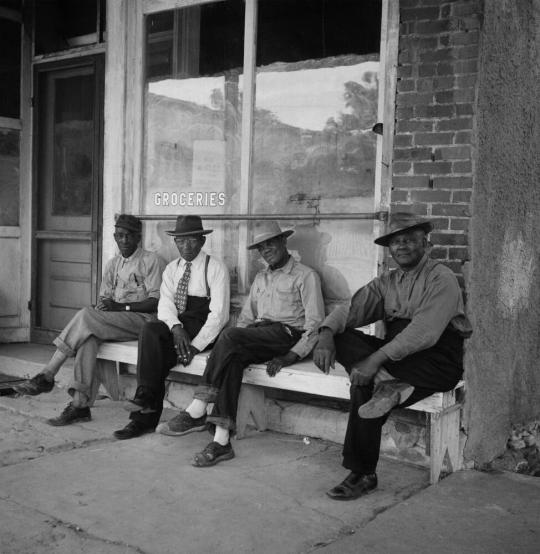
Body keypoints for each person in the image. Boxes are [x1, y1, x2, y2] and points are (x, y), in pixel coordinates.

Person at [313, 212, 472, 500]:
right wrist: (324, 334)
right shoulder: (387, 281)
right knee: (341, 337)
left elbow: (424, 333)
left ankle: (362, 474)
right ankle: (388, 384)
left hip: (436, 360)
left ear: (425, 243)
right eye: (396, 242)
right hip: (396, 359)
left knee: (362, 381)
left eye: (409, 240)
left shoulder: (442, 278)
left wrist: (375, 361)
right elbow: (351, 310)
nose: (402, 246)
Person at [154, 220, 325, 467]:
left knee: (230, 336)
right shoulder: (261, 278)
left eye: (271, 244)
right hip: (259, 336)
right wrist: (234, 342)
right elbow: (246, 319)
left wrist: (292, 356)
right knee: (232, 358)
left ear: (283, 242)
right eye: (262, 247)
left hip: (287, 335)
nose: (267, 250)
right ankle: (222, 441)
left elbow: (315, 323)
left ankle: (198, 407)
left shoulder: (305, 276)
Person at [14, 214, 165, 426]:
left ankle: (48, 373)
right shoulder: (113, 265)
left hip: (144, 322)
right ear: (114, 236)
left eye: (129, 236)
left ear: (138, 237)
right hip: (114, 322)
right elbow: (105, 299)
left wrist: (121, 306)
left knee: (85, 316)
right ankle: (79, 405)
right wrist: (104, 306)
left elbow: (155, 303)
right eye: (120, 235)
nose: (124, 240)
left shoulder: (152, 261)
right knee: (88, 337)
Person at [113, 215, 230, 440]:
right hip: (180, 327)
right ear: (175, 242)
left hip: (203, 329)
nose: (186, 246)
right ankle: (145, 399)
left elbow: (219, 316)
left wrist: (195, 346)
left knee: (155, 356)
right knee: (149, 331)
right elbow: (165, 306)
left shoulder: (215, 268)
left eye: (192, 240)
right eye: (180, 241)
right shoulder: (172, 269)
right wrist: (176, 328)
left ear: (202, 241)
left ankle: (143, 418)